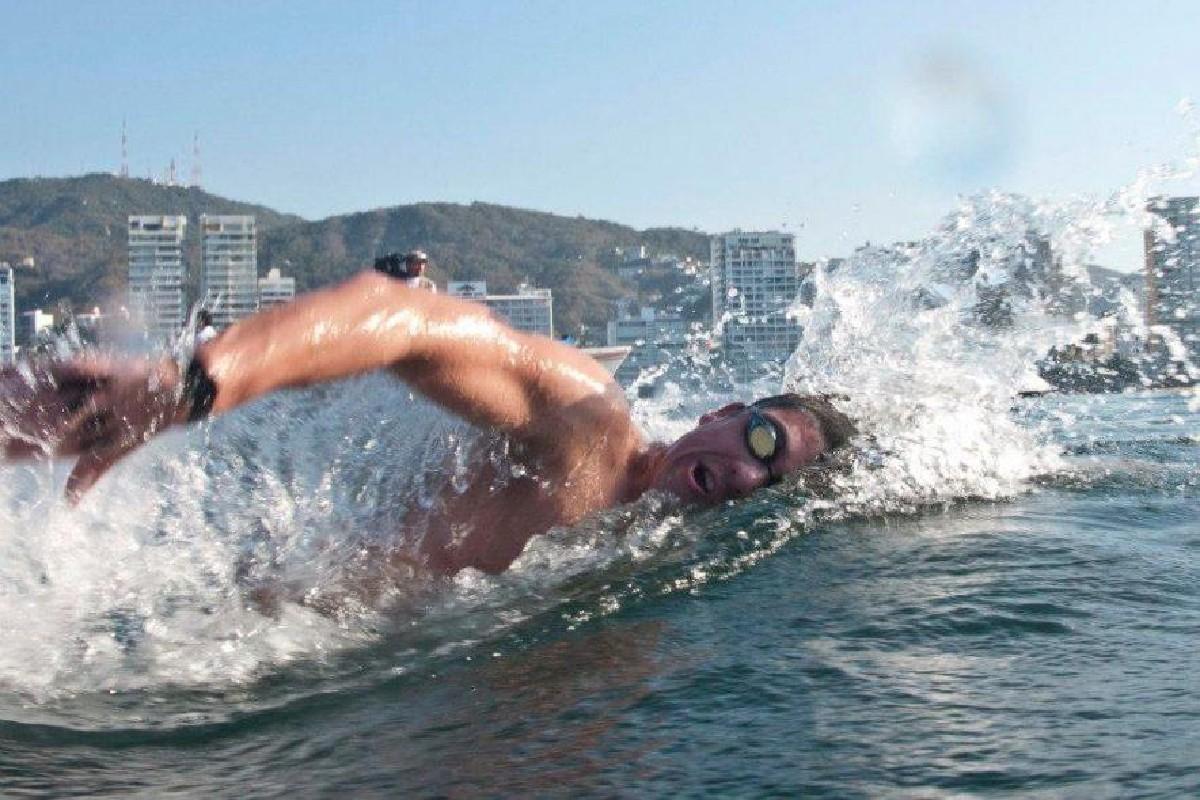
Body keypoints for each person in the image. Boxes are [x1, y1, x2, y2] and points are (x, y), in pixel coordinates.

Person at [0, 266, 855, 576]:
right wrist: (187, 387)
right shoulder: (589, 423)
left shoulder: (644, 575)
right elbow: (402, 319)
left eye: (770, 479)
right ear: (719, 412)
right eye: (762, 439)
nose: (748, 473)